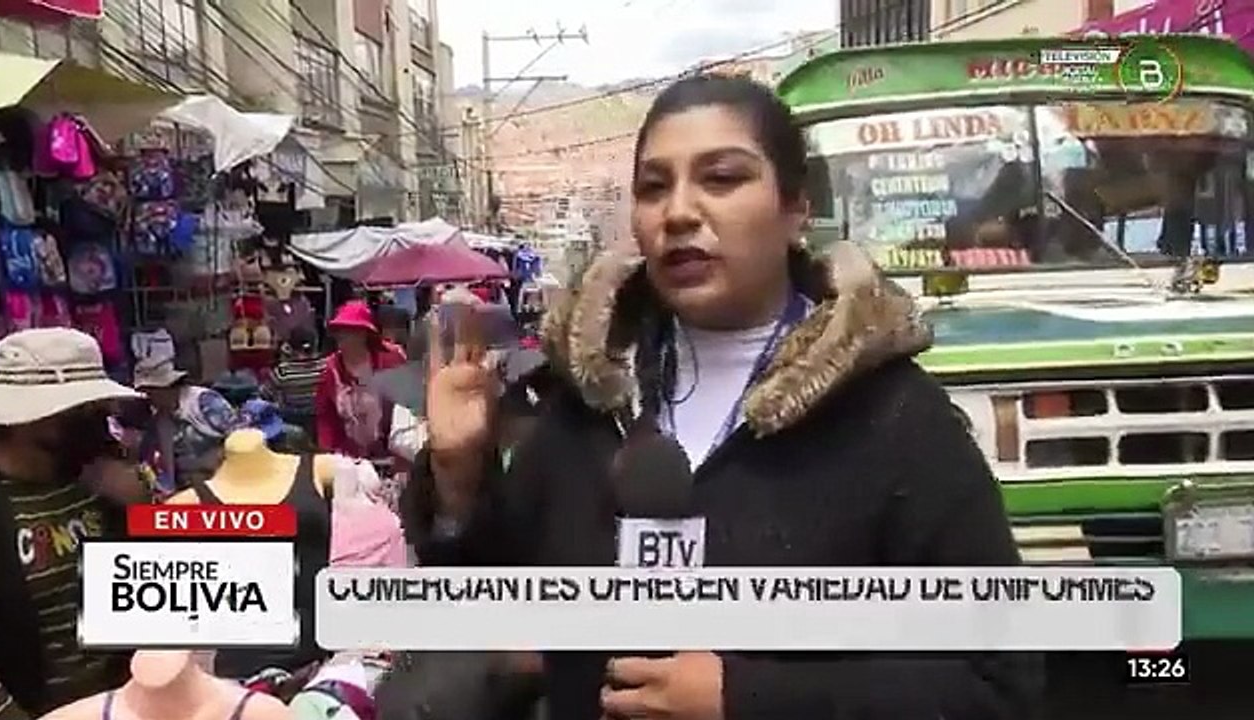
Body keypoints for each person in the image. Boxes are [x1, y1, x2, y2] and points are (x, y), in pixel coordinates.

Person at [401, 75, 1042, 719]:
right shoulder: (583, 402)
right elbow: (492, 615)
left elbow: (996, 687)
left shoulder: (896, 419)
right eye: (654, 187)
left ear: (795, 208)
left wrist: (749, 700)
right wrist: (459, 476)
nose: (679, 211)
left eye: (722, 178)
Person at [0, 328, 148, 720]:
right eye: (78, 408)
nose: (95, 417)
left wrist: (141, 511)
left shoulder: (97, 479)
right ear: (28, 417)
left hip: (118, 704)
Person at [315, 300, 405, 459]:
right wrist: (329, 455)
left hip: (393, 453)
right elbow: (326, 417)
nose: (341, 336)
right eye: (338, 330)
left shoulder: (392, 359)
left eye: (348, 330)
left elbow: (408, 404)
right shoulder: (330, 370)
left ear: (364, 333)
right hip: (348, 458)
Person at [133, 357, 238, 493]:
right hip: (188, 487)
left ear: (164, 387)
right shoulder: (159, 421)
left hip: (224, 477)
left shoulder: (205, 402)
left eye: (149, 392)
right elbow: (145, 457)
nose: (148, 398)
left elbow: (239, 437)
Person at [267, 327, 325, 436]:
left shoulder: (282, 371)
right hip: (319, 421)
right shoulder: (326, 367)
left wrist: (284, 357)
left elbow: (266, 395)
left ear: (290, 347)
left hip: (290, 423)